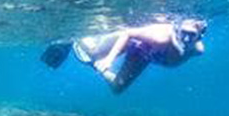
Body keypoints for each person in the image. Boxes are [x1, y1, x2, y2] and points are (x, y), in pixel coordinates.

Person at [41, 19, 207, 93]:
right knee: (93, 52)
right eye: (184, 33)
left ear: (199, 36)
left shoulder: (197, 50)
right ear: (177, 29)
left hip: (146, 55)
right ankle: (72, 38)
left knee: (117, 88)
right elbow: (128, 33)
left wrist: (102, 65)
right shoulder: (160, 36)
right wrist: (109, 59)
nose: (185, 39)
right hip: (135, 42)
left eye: (191, 35)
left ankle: (94, 64)